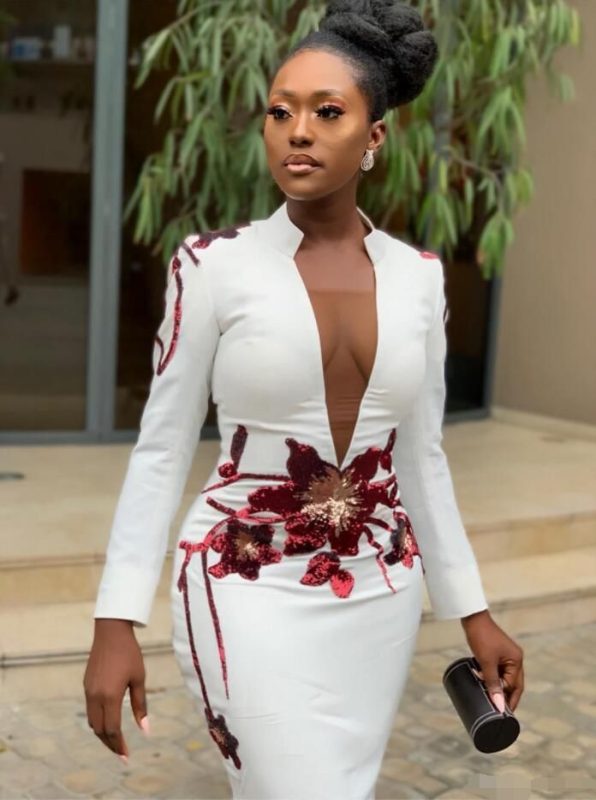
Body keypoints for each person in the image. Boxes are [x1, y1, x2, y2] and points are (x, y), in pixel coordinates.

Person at [84, 1, 525, 797]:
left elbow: (421, 460)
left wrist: (473, 610)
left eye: (327, 112)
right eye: (280, 111)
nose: (298, 131)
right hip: (242, 579)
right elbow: (162, 447)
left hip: (380, 592)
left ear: (374, 136)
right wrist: (116, 619)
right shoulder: (212, 267)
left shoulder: (420, 278)